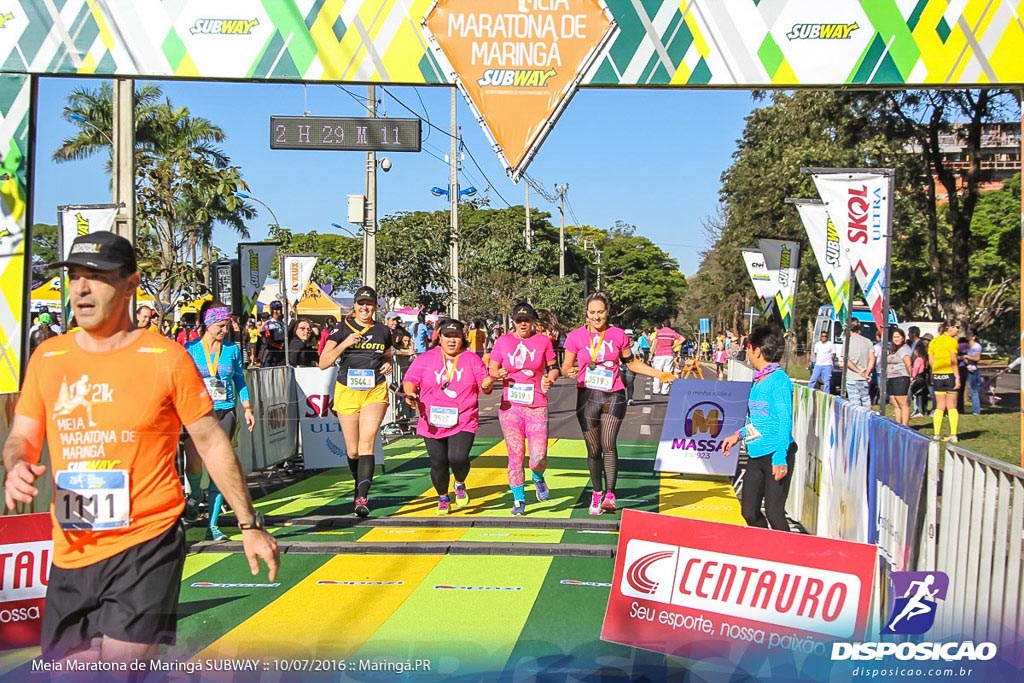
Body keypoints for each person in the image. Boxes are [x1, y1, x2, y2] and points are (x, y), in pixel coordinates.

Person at [2, 232, 278, 664]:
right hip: (72, 547)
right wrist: (17, 462)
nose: (81, 289)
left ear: (130, 285)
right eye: (74, 277)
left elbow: (210, 440)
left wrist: (249, 524)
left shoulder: (165, 358)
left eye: (96, 277)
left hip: (146, 543)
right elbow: (21, 435)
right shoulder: (49, 357)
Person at [562, 293, 676, 515]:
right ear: (586, 314)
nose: (597, 317)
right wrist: (570, 371)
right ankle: (596, 492)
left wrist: (658, 374)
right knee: (594, 449)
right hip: (587, 395)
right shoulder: (575, 337)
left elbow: (630, 362)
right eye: (592, 312)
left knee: (608, 443)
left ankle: (610, 495)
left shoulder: (617, 335)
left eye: (601, 312)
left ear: (608, 312)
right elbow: (566, 366)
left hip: (613, 394)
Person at [182, 300, 256, 540]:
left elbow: (240, 380)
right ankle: (194, 496)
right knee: (193, 462)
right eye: (221, 325)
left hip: (225, 411)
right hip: (198, 414)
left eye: (227, 325)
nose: (226, 330)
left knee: (219, 468)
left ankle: (212, 525)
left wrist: (247, 407)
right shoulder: (190, 348)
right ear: (208, 323)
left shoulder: (232, 350)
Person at [404, 319, 493, 515]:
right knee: (438, 461)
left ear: (463, 338)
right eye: (447, 336)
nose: (452, 341)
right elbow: (410, 380)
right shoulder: (426, 359)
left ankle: (460, 483)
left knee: (458, 457)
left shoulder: (471, 359)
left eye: (456, 336)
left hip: (463, 418)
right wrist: (410, 394)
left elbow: (485, 386)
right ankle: (443, 497)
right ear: (439, 338)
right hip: (432, 420)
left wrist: (487, 383)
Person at [319, 286, 393, 517]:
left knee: (366, 444)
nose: (365, 307)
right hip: (347, 390)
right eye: (361, 303)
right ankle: (358, 483)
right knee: (352, 450)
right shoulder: (341, 329)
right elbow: (323, 362)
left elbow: (388, 355)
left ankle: (362, 497)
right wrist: (345, 344)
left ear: (375, 307)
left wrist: (388, 364)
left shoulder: (382, 330)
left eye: (369, 304)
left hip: (375, 390)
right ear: (354, 306)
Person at [721, 325, 795, 532]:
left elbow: (784, 420)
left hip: (776, 453)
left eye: (749, 348)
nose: (747, 354)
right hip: (756, 451)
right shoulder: (759, 380)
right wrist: (739, 435)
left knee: (774, 512)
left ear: (757, 351)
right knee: (749, 512)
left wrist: (780, 457)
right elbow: (759, 421)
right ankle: (767, 548)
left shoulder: (779, 381)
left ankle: (788, 557)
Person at [488, 302, 559, 515]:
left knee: (538, 455)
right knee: (515, 454)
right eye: (519, 321)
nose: (523, 324)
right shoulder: (503, 341)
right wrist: (496, 373)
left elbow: (553, 367)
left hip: (537, 405)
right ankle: (519, 499)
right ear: (513, 322)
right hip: (510, 407)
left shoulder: (543, 341)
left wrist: (550, 379)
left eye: (527, 320)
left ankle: (538, 477)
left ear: (533, 321)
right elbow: (492, 367)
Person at [929, 320, 961, 441]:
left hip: (937, 375)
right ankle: (953, 434)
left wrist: (935, 372)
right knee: (952, 405)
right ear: (950, 328)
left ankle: (936, 434)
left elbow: (931, 361)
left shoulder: (934, 341)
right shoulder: (952, 342)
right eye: (956, 327)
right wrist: (957, 378)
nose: (958, 330)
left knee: (939, 406)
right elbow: (954, 361)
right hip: (949, 374)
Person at [844, 319, 875, 408]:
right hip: (865, 377)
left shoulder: (847, 341)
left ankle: (857, 421)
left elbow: (846, 360)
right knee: (866, 401)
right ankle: (867, 420)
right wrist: (867, 373)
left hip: (852, 377)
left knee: (855, 404)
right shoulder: (868, 341)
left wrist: (858, 371)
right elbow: (872, 359)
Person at [886, 328, 913, 426]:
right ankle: (898, 425)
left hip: (901, 377)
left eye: (898, 337)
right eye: (894, 337)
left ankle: (905, 426)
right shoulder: (893, 349)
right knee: (895, 403)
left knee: (902, 403)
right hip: (891, 378)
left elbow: (908, 364)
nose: (896, 339)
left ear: (903, 338)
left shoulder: (904, 349)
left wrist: (911, 376)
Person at [650, 320, 682, 395]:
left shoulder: (659, 332)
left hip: (659, 354)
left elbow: (656, 343)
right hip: (669, 354)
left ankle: (656, 390)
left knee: (657, 372)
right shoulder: (672, 332)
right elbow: (682, 338)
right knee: (667, 372)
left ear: (662, 325)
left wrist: (652, 353)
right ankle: (664, 390)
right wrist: (674, 346)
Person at [258, 300, 287, 367]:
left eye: (280, 309)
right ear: (273, 311)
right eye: (277, 309)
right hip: (271, 354)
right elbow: (267, 340)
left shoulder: (282, 323)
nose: (280, 311)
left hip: (282, 355)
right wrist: (280, 346)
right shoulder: (269, 324)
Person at [963, 330, 983, 415]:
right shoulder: (966, 346)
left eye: (970, 335)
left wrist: (967, 356)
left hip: (973, 369)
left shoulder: (977, 346)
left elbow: (977, 358)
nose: (968, 336)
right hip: (966, 368)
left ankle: (976, 410)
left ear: (974, 336)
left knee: (973, 390)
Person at [910, 342, 931, 418]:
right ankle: (922, 410)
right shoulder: (924, 359)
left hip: (918, 378)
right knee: (921, 395)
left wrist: (912, 377)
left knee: (916, 394)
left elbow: (916, 369)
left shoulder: (918, 359)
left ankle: (918, 410)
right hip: (923, 378)